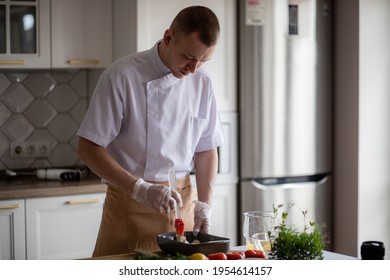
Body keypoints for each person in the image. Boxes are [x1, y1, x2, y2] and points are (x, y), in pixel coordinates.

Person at [77, 5, 224, 257]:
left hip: (183, 208)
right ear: (168, 38)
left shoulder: (203, 83)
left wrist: (204, 205)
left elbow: (207, 149)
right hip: (129, 204)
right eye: (189, 57)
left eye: (203, 61)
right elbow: (88, 148)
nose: (194, 69)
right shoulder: (122, 76)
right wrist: (140, 189)